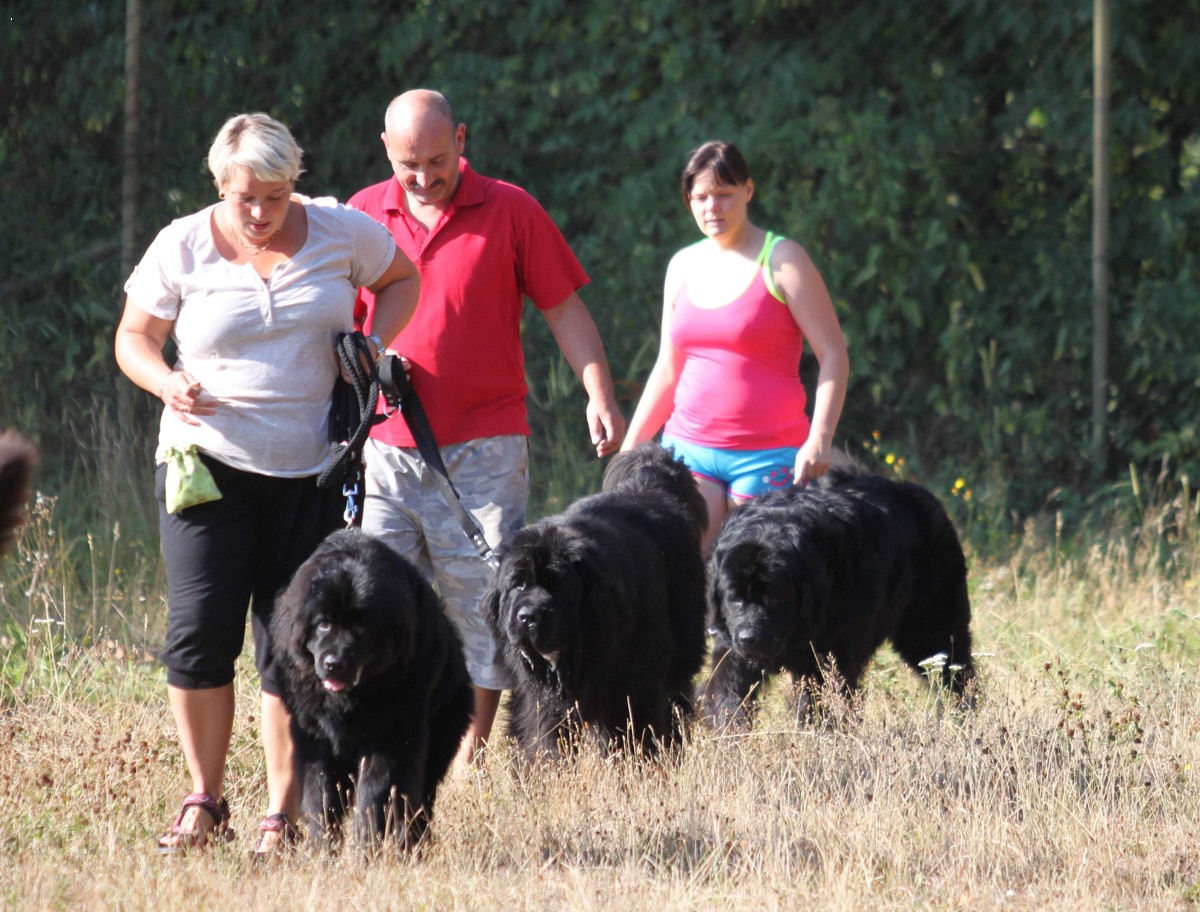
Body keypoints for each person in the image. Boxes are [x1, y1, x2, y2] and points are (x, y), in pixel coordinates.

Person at [114, 112, 420, 857]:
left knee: (291, 645)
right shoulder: (181, 243)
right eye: (244, 196)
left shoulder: (339, 231)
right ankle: (203, 799)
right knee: (198, 634)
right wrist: (166, 382)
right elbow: (134, 338)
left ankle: (281, 815)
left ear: (295, 183)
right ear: (220, 184)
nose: (259, 212)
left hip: (310, 473)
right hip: (203, 465)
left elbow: (402, 278)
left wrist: (373, 344)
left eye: (275, 197)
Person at [348, 89, 625, 767]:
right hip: (384, 449)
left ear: (461, 140)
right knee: (376, 598)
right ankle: (389, 740)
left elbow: (564, 308)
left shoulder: (511, 209)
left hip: (486, 449)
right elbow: (335, 322)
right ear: (386, 150)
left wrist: (599, 392)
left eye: (436, 161)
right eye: (409, 164)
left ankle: (468, 751)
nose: (423, 177)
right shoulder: (359, 214)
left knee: (486, 601)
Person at [622, 140, 849, 552]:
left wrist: (821, 438)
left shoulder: (784, 260)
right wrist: (630, 449)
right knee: (689, 570)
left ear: (748, 189)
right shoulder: (682, 265)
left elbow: (833, 354)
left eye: (724, 194)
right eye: (701, 197)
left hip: (770, 455)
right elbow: (668, 368)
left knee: (754, 578)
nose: (713, 207)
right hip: (688, 451)